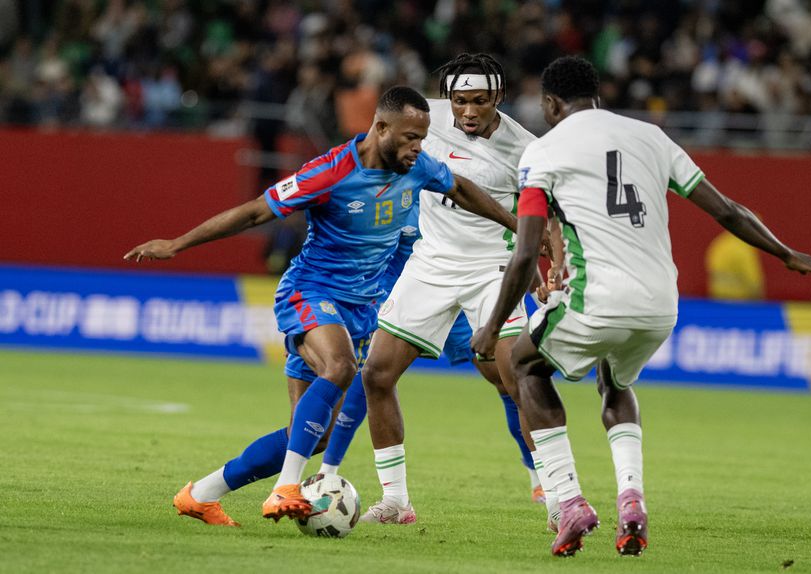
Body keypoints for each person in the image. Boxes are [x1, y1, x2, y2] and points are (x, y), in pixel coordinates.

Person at [471, 55, 811, 557]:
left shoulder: (544, 152)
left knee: (524, 363)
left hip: (598, 298)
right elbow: (727, 208)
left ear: (550, 103)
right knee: (616, 381)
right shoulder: (652, 137)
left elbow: (526, 251)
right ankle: (631, 500)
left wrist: (491, 327)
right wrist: (786, 253)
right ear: (595, 96)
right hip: (662, 304)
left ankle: (571, 500)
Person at [124, 85, 518, 524]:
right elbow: (257, 211)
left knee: (308, 436)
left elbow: (461, 187)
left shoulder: (418, 167)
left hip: (359, 309)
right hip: (310, 292)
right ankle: (285, 489)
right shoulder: (329, 172)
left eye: (423, 138)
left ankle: (200, 494)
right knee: (341, 367)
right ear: (381, 127)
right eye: (410, 138)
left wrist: (518, 225)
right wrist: (177, 244)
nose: (418, 147)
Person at [357, 53, 555, 525]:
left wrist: (541, 271)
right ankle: (396, 501)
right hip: (430, 264)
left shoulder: (527, 149)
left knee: (519, 380)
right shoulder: (426, 118)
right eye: (460, 101)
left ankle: (559, 498)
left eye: (480, 102)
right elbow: (377, 136)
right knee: (376, 374)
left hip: (493, 271)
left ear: (499, 98)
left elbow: (541, 218)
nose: (467, 112)